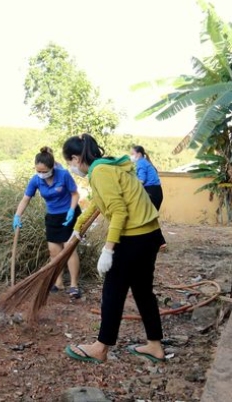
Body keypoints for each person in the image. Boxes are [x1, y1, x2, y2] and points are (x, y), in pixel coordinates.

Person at [62, 133, 165, 364]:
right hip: (149, 234)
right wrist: (78, 227)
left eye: (70, 161)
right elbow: (99, 203)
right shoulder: (108, 166)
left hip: (134, 237)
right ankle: (155, 346)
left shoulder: (99, 172)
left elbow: (119, 211)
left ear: (76, 158)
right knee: (142, 291)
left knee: (112, 291)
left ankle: (100, 347)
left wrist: (108, 250)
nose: (71, 167)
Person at [13, 147, 82, 298]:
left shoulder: (63, 175)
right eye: (38, 171)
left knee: (69, 249)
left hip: (69, 214)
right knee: (54, 251)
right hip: (52, 217)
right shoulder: (36, 180)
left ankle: (74, 285)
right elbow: (26, 199)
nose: (41, 174)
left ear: (52, 168)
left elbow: (75, 194)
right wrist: (17, 216)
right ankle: (58, 283)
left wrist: (71, 210)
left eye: (44, 171)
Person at [130, 145, 167, 249]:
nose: (131, 156)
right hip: (156, 191)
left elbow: (141, 180)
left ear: (139, 154)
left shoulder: (141, 163)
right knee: (150, 218)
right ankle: (160, 242)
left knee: (146, 217)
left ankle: (158, 242)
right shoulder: (144, 162)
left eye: (132, 154)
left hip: (152, 192)